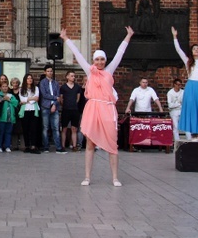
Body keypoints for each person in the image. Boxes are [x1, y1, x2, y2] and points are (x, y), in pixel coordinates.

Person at [61, 26, 134, 187]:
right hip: (93, 109)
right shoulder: (90, 71)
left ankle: (115, 177)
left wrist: (128, 36)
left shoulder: (109, 71)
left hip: (107, 109)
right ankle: (87, 177)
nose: (100, 62)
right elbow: (78, 55)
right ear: (94, 60)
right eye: (97, 59)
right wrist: (66, 39)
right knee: (90, 143)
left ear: (105, 60)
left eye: (102, 59)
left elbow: (120, 54)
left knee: (112, 143)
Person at [38, 64, 64, 153]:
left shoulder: (56, 83)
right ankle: (45, 146)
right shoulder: (42, 83)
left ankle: (58, 147)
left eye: (51, 71)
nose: (50, 73)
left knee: (56, 128)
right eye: (48, 71)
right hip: (45, 107)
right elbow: (44, 95)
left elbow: (58, 96)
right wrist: (54, 98)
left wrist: (55, 104)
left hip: (55, 107)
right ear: (45, 72)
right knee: (45, 127)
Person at [59, 71, 82, 151]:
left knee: (74, 128)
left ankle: (74, 146)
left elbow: (78, 98)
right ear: (67, 77)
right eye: (72, 76)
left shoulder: (77, 87)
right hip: (66, 109)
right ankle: (63, 146)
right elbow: (61, 99)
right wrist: (64, 104)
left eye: (74, 76)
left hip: (74, 110)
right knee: (64, 128)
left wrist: (74, 103)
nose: (73, 77)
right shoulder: (63, 87)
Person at [19, 73, 40, 153]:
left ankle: (33, 146)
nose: (30, 79)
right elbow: (22, 100)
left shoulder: (36, 88)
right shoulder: (21, 89)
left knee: (34, 128)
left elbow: (37, 98)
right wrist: (31, 98)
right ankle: (27, 145)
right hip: (25, 110)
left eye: (31, 78)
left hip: (34, 110)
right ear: (25, 80)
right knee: (25, 129)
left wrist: (27, 100)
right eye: (28, 78)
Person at [0, 81, 18, 153]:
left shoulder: (11, 95)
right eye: (3, 86)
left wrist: (9, 99)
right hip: (2, 117)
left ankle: (7, 146)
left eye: (6, 86)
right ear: (0, 88)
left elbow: (16, 103)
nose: (5, 88)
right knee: (0, 132)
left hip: (10, 118)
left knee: (8, 132)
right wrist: (2, 99)